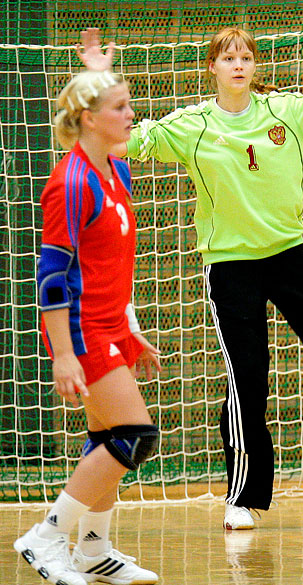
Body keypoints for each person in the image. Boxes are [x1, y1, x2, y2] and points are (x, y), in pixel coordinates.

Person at [77, 26, 303, 529]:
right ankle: (244, 496)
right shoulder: (192, 125)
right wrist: (99, 84)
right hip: (230, 265)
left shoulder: (289, 113)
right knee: (247, 380)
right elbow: (129, 140)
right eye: (227, 57)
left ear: (255, 67)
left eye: (246, 57)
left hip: (290, 253)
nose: (238, 64)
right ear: (212, 67)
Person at [13, 71, 161, 585]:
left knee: (105, 436)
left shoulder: (114, 168)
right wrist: (62, 355)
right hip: (80, 328)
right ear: (89, 119)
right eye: (119, 107)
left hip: (110, 322)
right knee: (135, 435)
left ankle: (94, 550)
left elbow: (111, 262)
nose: (130, 115)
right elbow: (51, 276)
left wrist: (129, 324)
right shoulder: (71, 182)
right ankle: (46, 537)